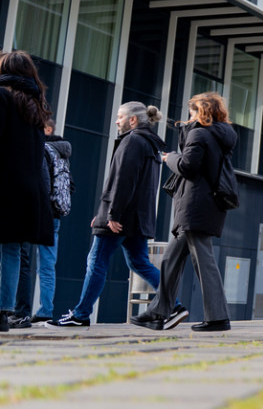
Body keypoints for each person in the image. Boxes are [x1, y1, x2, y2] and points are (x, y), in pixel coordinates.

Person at [48, 103, 182, 328]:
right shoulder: (150, 144)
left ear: (133, 120)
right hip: (138, 217)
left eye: (120, 117)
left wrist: (112, 214)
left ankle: (81, 315)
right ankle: (175, 305)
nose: (117, 121)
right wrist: (104, 213)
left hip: (122, 217)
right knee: (139, 262)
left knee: (96, 261)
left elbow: (123, 181)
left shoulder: (132, 141)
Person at [132, 92, 235, 332]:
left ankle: (218, 317)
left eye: (192, 112)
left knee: (204, 261)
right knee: (170, 259)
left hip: (195, 205)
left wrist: (170, 157)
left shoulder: (200, 133)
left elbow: (188, 166)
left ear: (202, 112)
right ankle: (159, 312)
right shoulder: (219, 134)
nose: (188, 117)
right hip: (204, 204)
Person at [0, 50, 55, 333]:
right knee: (10, 250)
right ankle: (3, 311)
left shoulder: (3, 96)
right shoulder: (36, 105)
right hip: (28, 190)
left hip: (5, 185)